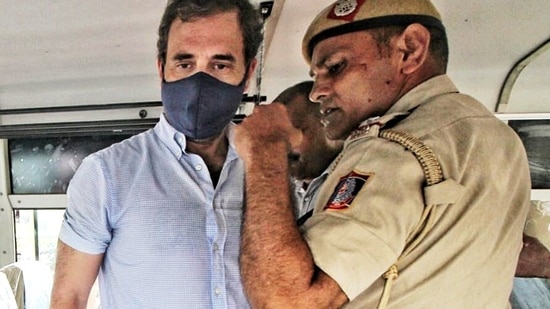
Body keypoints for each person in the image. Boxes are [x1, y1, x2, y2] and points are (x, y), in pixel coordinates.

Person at [233, 0, 532, 308]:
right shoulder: (498, 137)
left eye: (335, 67)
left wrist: (266, 150)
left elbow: (285, 300)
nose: (316, 91)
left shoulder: (393, 148)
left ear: (410, 49)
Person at [50, 0, 263, 308]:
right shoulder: (106, 175)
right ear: (162, 68)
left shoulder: (271, 172)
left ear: (248, 72)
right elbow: (69, 298)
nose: (199, 83)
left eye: (220, 64)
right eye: (185, 63)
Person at [273, 80, 344, 222]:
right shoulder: (289, 188)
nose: (283, 147)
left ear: (327, 125)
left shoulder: (351, 181)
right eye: (277, 137)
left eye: (294, 132)